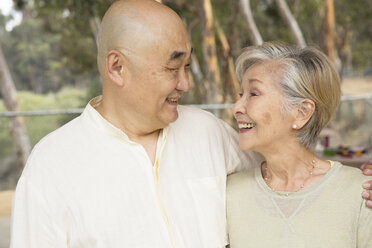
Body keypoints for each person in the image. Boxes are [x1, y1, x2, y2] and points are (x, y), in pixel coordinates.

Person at [10, 1, 372, 247]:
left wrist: (361, 179)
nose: (185, 83)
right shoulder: (52, 167)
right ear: (117, 67)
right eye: (173, 67)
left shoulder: (208, 132)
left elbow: (289, 174)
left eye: (188, 66)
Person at [226, 43, 372, 247]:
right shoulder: (228, 194)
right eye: (241, 94)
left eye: (254, 94)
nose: (236, 107)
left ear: (302, 112)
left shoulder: (361, 192)